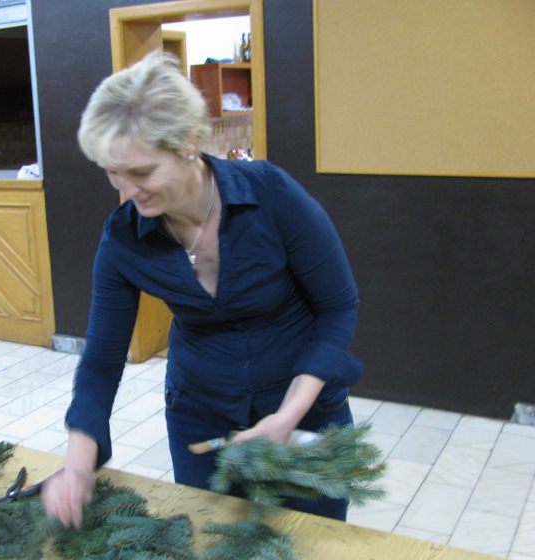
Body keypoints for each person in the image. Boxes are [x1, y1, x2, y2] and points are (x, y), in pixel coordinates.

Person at [42, 51, 363, 527]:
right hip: (202, 419)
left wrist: (290, 413)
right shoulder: (124, 240)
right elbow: (101, 362)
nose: (125, 190)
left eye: (141, 172)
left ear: (189, 143)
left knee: (314, 543)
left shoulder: (270, 195)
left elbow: (338, 307)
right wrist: (76, 465)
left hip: (304, 411)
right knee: (211, 543)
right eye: (111, 171)